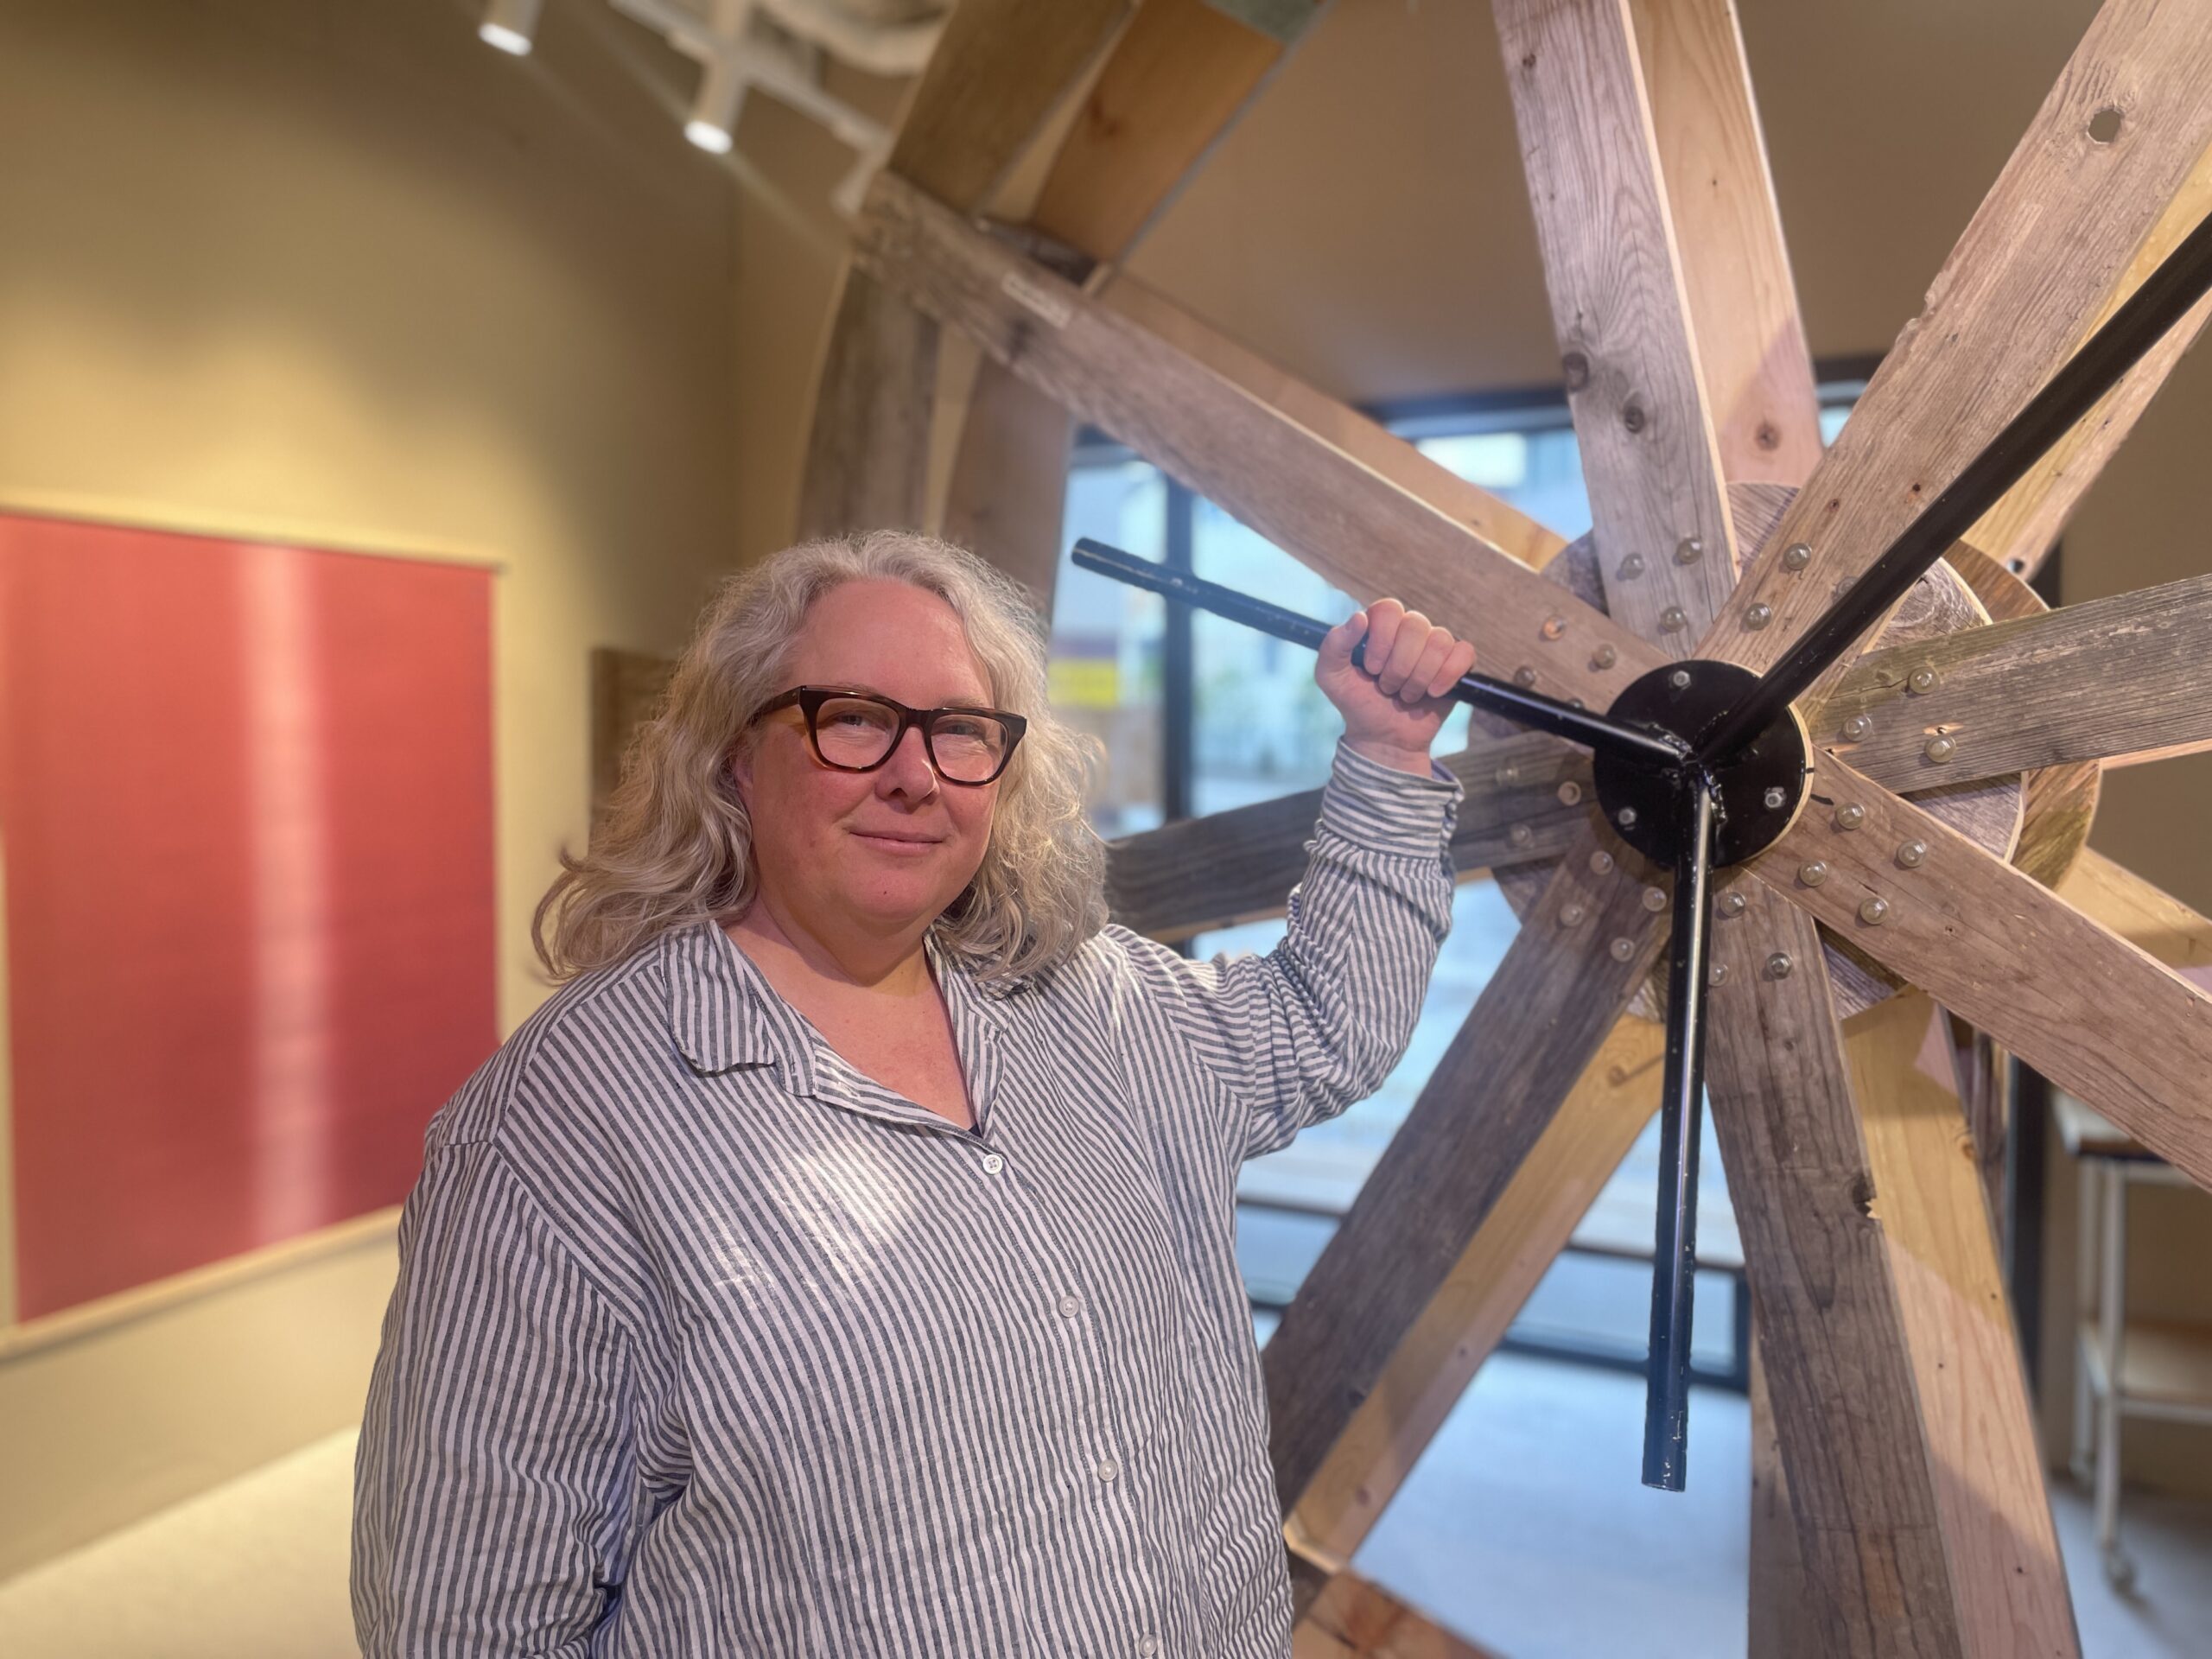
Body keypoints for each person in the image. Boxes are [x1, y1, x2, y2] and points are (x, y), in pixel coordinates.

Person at [352, 529, 1474, 1657]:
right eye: (851, 719)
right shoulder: (563, 1127)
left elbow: (1321, 1023)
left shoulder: (1089, 999)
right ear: (736, 757)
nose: (914, 774)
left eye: (960, 730)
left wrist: (1387, 754)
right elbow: (467, 1623)